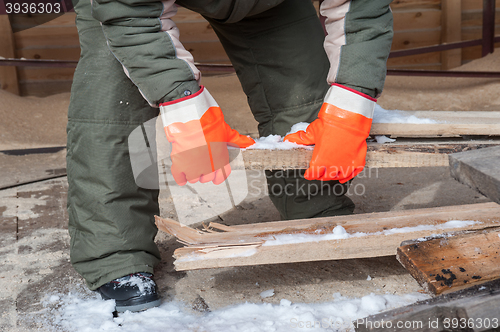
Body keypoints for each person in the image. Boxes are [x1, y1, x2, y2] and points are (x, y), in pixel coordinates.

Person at [67, 0, 393, 312]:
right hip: (130, 7)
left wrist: (352, 101)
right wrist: (183, 104)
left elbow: (360, 9)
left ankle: (315, 207)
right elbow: (129, 13)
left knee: (305, 87)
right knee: (114, 83)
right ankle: (116, 252)